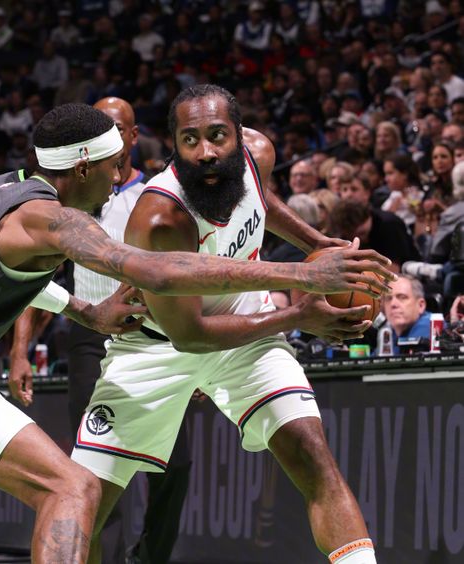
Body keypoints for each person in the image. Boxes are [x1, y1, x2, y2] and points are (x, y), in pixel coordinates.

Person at [0, 102, 393, 564]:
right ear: (83, 167)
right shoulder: (56, 218)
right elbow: (157, 273)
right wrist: (301, 275)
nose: (120, 178)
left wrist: (85, 313)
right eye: (114, 166)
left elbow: (4, 271)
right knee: (70, 488)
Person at [70, 86, 386, 564]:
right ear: (173, 145)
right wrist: (299, 316)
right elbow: (190, 335)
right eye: (190, 140)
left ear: (240, 135)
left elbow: (258, 198)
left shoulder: (257, 155)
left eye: (217, 136)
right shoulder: (160, 219)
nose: (206, 152)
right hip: (157, 347)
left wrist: (319, 243)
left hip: (246, 329)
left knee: (313, 456)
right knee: (83, 507)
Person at [11, 96, 191, 563]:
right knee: (94, 466)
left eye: (114, 127)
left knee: (176, 464)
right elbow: (36, 276)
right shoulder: (71, 197)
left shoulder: (155, 196)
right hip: (92, 335)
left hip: (156, 336)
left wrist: (197, 355)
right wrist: (20, 350)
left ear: (131, 136)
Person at [381, 275, 431, 355]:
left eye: (402, 297)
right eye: (389, 298)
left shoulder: (430, 325)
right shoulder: (390, 331)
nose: (393, 304)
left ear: (421, 305)